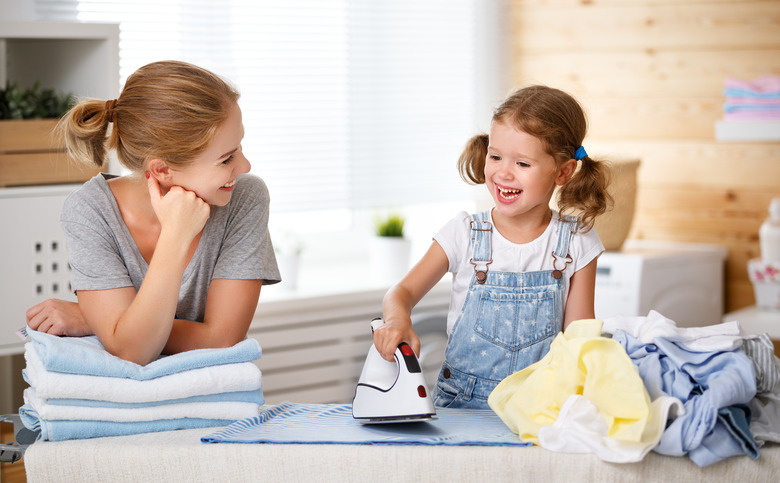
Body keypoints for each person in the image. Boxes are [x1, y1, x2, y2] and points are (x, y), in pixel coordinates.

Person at [25, 60, 280, 365]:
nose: (245, 166)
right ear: (162, 169)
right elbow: (134, 352)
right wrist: (176, 235)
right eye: (226, 159)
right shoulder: (90, 211)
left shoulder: (244, 198)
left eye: (239, 147)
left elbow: (223, 340)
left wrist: (99, 322)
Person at [373, 85, 611, 409]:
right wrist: (397, 320)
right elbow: (399, 294)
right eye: (496, 156)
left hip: (539, 408)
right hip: (461, 408)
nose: (503, 172)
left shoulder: (578, 241)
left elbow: (580, 338)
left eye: (523, 164)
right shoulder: (464, 232)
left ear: (563, 171)